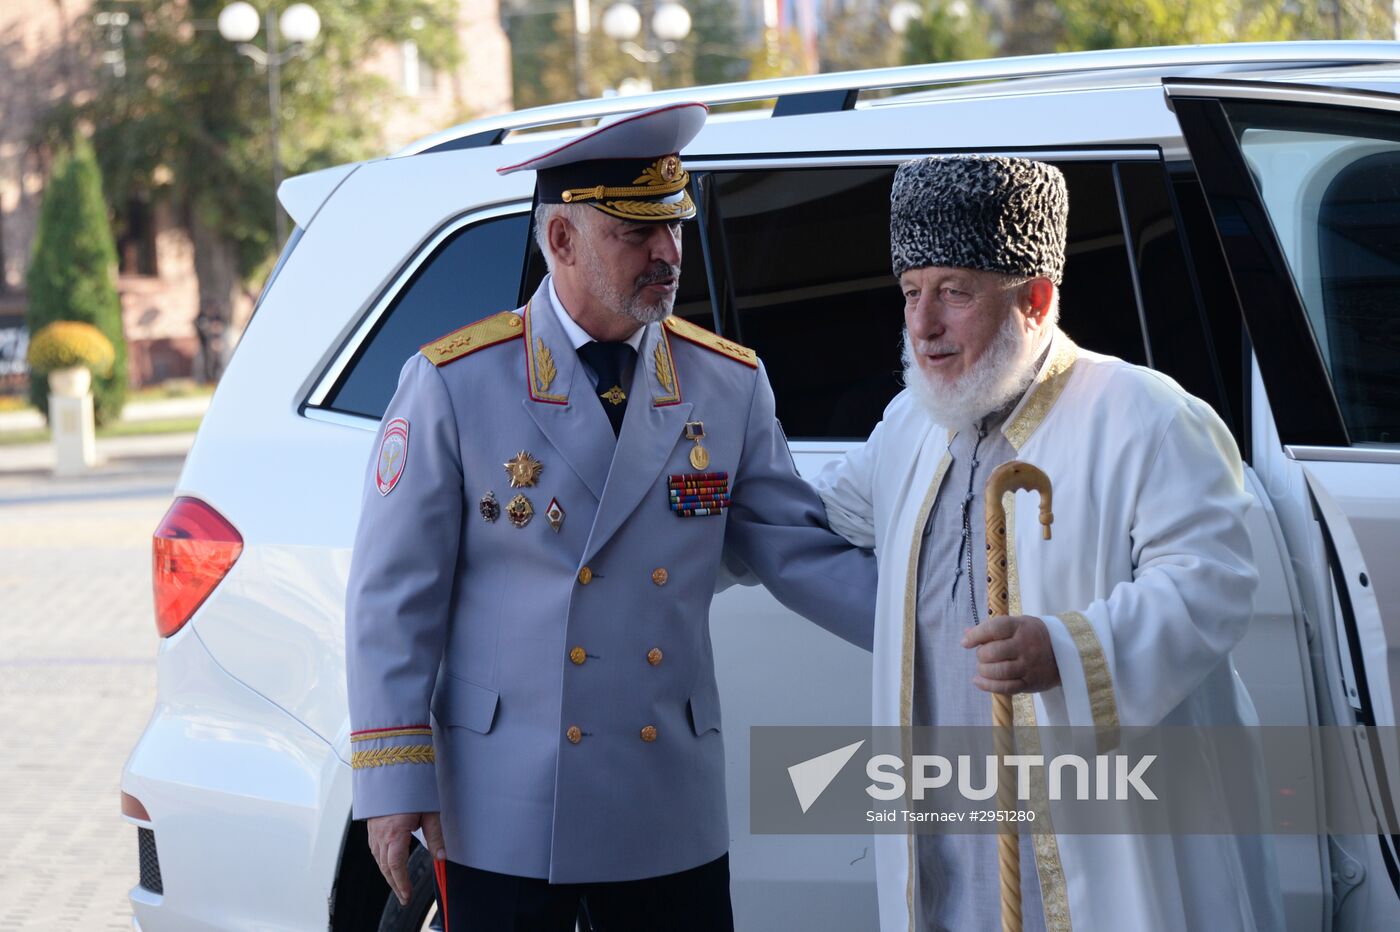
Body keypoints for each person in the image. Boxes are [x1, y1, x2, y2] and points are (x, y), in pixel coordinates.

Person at [344, 102, 876, 932]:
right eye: (637, 235)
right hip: (506, 803)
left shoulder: (725, 383)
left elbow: (799, 553)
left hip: (664, 800)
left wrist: (953, 624)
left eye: (673, 228)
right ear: (561, 242)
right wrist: (393, 783)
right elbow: (392, 601)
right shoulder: (456, 382)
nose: (668, 254)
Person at [813, 154, 1282, 931]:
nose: (923, 325)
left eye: (955, 293)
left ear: (1035, 298)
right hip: (948, 842)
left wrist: (1066, 651)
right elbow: (820, 518)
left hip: (1105, 837)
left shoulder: (1144, 414)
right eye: (911, 293)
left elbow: (1212, 583)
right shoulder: (910, 427)